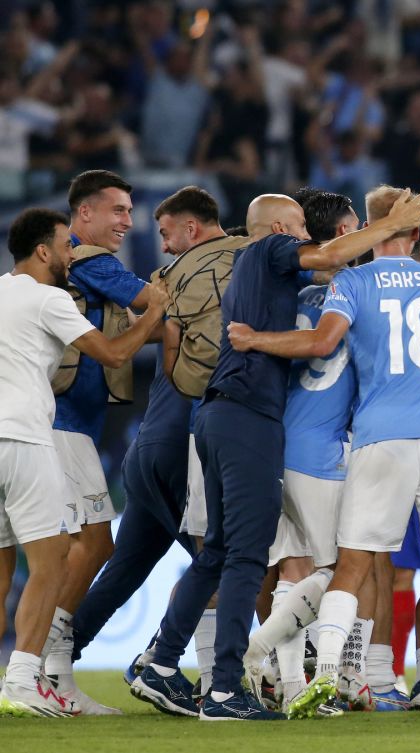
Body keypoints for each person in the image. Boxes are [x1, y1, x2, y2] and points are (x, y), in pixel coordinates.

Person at [129, 188, 420, 722]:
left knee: (222, 553)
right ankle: (228, 685)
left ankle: (160, 660)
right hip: (250, 419)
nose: (305, 240)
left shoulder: (275, 277)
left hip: (225, 415)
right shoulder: (267, 252)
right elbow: (327, 259)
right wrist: (391, 228)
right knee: (252, 557)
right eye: (298, 229)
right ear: (278, 231)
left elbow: (326, 274)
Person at [228, 186, 420, 719]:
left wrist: (254, 338)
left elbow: (323, 343)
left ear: (364, 232)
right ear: (417, 233)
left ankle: (327, 676)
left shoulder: (349, 282)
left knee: (349, 566)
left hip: (376, 439)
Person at [0, 208, 167, 717]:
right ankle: (25, 678)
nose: (73, 256)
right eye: (65, 246)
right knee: (50, 564)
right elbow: (114, 355)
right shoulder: (49, 297)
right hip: (25, 439)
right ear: (44, 251)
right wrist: (155, 310)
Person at [69, 187, 231, 677]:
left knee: (122, 573)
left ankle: (52, 660)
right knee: (219, 562)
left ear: (191, 229)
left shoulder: (171, 283)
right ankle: (175, 668)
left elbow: (151, 322)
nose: (161, 246)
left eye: (164, 234)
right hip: (183, 446)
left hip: (148, 448)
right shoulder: (239, 272)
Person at [235, 191, 360, 715]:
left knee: (292, 568)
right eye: (354, 229)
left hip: (274, 440)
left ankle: (290, 688)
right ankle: (256, 650)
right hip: (319, 450)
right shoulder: (356, 295)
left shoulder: (290, 295)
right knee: (339, 570)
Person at [42, 170, 161, 716]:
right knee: (94, 544)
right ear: (83, 215)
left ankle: (40, 666)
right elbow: (153, 302)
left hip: (66, 426)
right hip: (61, 427)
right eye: (117, 210)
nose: (127, 222)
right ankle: (51, 664)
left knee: (66, 548)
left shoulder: (77, 272)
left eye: (130, 212)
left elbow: (147, 320)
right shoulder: (90, 261)